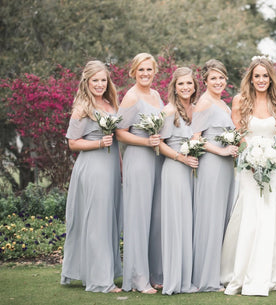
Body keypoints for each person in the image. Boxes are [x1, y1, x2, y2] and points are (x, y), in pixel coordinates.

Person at [220, 56, 276, 296]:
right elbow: (239, 134)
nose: (261, 80)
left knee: (274, 215)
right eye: (257, 76)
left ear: (271, 78)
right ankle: (243, 273)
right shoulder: (239, 101)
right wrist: (252, 158)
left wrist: (272, 156)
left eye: (265, 76)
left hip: (275, 168)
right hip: (249, 168)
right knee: (251, 215)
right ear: (250, 79)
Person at [61, 60, 122, 293]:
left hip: (111, 167)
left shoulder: (109, 103)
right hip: (93, 168)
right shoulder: (82, 108)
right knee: (97, 222)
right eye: (95, 80)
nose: (99, 84)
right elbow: (72, 143)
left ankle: (103, 271)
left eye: (103, 80)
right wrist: (98, 142)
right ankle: (100, 281)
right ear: (86, 82)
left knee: (108, 221)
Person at [116, 53, 164, 294]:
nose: (145, 74)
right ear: (133, 71)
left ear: (155, 71)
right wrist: (146, 143)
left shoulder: (155, 95)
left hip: (157, 160)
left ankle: (156, 273)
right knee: (139, 218)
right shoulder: (131, 97)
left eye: (149, 70)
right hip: (139, 159)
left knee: (156, 218)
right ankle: (137, 277)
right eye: (141, 70)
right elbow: (120, 132)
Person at [191, 59, 238, 292]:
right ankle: (206, 278)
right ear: (205, 81)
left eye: (221, 78)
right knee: (210, 219)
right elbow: (195, 138)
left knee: (221, 218)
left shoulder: (223, 103)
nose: (218, 82)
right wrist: (220, 150)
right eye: (213, 78)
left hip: (226, 167)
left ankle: (217, 272)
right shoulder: (204, 102)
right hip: (211, 166)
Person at [158, 67, 199, 295]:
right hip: (174, 169)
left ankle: (187, 278)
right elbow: (160, 144)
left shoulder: (196, 109)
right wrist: (181, 158)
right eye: (181, 84)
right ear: (174, 87)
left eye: (189, 84)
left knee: (188, 223)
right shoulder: (169, 111)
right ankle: (175, 280)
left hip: (192, 172)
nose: (186, 87)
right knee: (176, 224)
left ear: (195, 86)